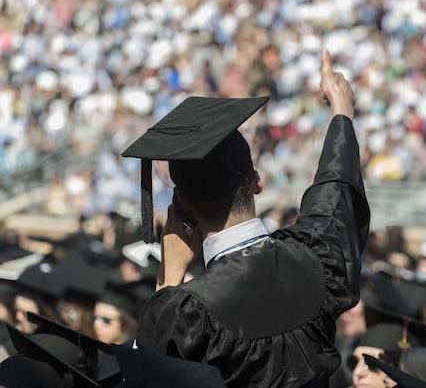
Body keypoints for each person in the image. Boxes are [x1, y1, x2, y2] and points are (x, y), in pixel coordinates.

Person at [126, 50, 370, 387]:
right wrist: (341, 111)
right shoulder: (317, 257)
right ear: (256, 181)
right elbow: (335, 193)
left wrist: (168, 283)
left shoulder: (187, 311)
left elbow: (144, 378)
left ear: (180, 204)